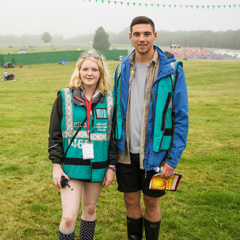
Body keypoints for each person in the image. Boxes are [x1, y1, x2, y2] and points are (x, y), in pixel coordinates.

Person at [108, 16, 189, 240]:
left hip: (155, 154)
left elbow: (181, 117)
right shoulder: (120, 69)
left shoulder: (172, 71)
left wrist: (172, 159)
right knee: (130, 201)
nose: (141, 39)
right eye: (137, 34)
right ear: (130, 37)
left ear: (154, 36)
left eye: (146, 34)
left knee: (152, 205)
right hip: (127, 153)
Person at [48, 50, 116, 240]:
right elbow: (54, 135)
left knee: (89, 209)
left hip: (98, 167)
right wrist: (56, 166)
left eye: (94, 69)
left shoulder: (110, 100)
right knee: (69, 217)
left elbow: (114, 139)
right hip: (70, 167)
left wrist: (111, 167)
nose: (89, 73)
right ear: (78, 71)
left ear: (101, 73)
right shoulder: (63, 97)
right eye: (85, 69)